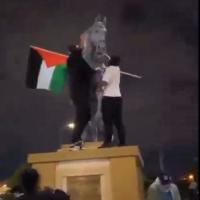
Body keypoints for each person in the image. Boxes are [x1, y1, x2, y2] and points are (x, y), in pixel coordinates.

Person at [67, 45, 96, 150]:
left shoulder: (75, 60)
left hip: (80, 93)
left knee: (85, 116)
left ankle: (76, 139)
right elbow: (88, 71)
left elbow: (87, 72)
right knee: (82, 115)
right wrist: (96, 70)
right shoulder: (76, 61)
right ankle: (75, 140)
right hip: (80, 94)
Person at [99, 55, 126, 148]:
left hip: (108, 98)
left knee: (108, 122)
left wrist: (98, 88)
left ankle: (107, 142)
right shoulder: (117, 69)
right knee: (118, 122)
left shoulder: (109, 69)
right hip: (118, 98)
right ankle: (122, 142)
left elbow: (105, 82)